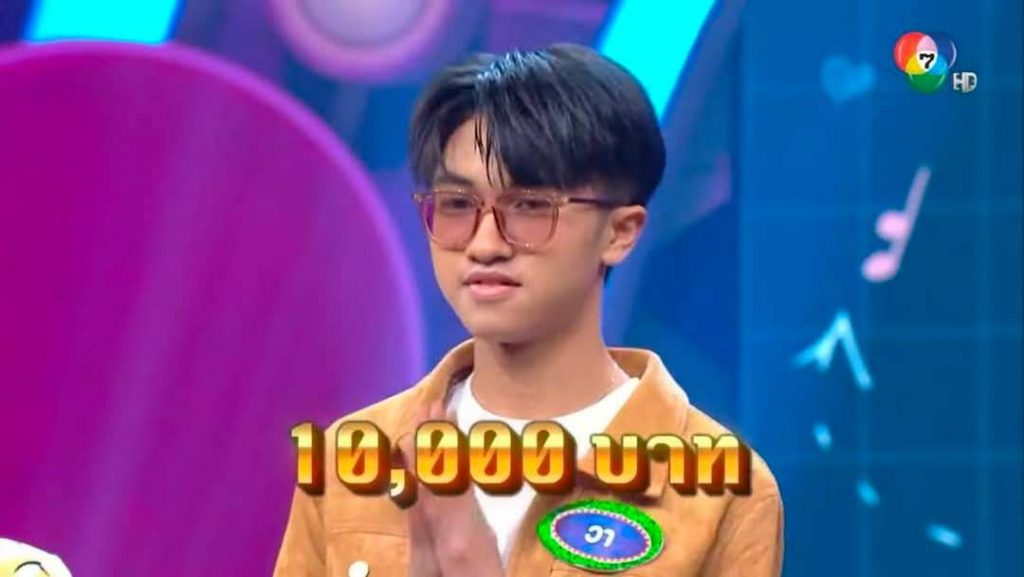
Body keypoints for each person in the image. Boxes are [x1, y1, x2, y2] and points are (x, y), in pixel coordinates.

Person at [273, 43, 783, 577]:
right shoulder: (351, 462)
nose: (484, 244)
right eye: (457, 205)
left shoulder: (723, 492)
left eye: (530, 207)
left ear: (620, 232)